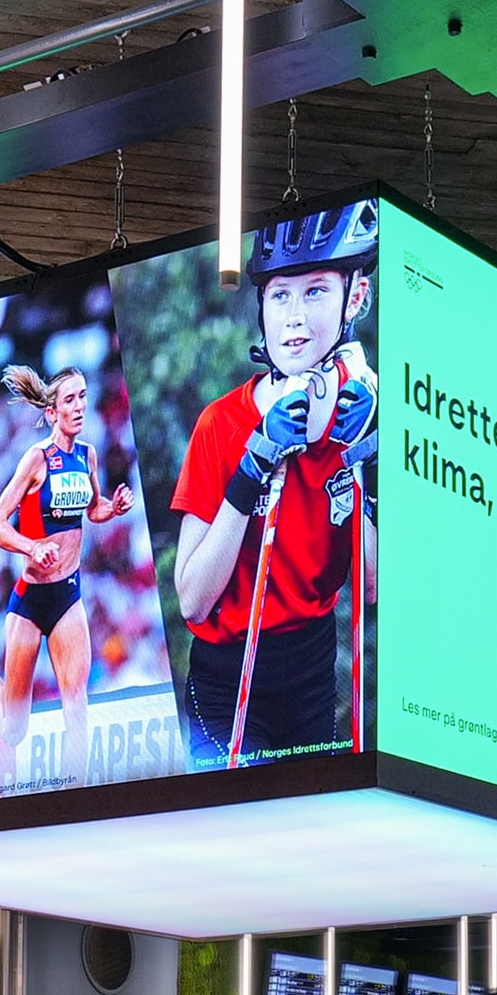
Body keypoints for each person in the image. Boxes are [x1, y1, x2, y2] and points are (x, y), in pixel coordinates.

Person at [165, 201, 379, 765]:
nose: (295, 318)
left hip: (309, 668)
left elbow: (371, 587)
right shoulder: (221, 424)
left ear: (353, 297)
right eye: (280, 294)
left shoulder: (365, 417)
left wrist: (368, 468)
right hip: (227, 676)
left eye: (316, 292)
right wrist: (253, 465)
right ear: (260, 302)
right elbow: (192, 600)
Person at [0, 364, 133, 796]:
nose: (80, 406)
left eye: (83, 396)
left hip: (68, 595)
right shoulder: (35, 459)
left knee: (76, 700)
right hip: (30, 601)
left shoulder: (88, 455)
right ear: (52, 412)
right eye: (69, 399)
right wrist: (31, 547)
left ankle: (74, 797)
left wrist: (113, 508)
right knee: (13, 730)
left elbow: (93, 509)